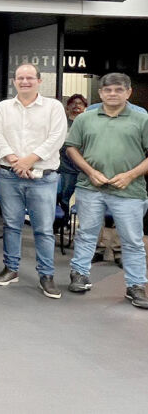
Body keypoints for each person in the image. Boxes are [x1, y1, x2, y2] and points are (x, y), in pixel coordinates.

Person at [65, 73, 148, 309]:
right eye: (108, 90)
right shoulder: (85, 119)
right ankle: (79, 274)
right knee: (87, 233)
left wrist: (130, 175)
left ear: (128, 92)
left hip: (129, 190)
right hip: (91, 187)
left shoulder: (142, 119)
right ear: (100, 93)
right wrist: (90, 172)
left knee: (132, 241)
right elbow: (72, 148)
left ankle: (136, 285)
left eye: (118, 90)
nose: (113, 94)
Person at [0, 63, 67, 298]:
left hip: (43, 178)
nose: (25, 81)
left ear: (39, 81)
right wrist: (16, 161)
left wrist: (29, 161)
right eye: (20, 78)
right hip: (9, 176)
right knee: (11, 225)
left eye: (29, 78)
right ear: (14, 81)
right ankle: (11, 269)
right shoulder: (3, 107)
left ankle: (46, 275)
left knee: (43, 229)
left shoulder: (53, 107)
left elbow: (57, 137)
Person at [56, 93, 86, 217]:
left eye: (80, 103)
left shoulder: (87, 123)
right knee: (63, 197)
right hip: (66, 167)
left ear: (85, 107)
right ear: (67, 107)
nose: (76, 106)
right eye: (73, 103)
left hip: (84, 168)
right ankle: (62, 223)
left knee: (85, 199)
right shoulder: (62, 122)